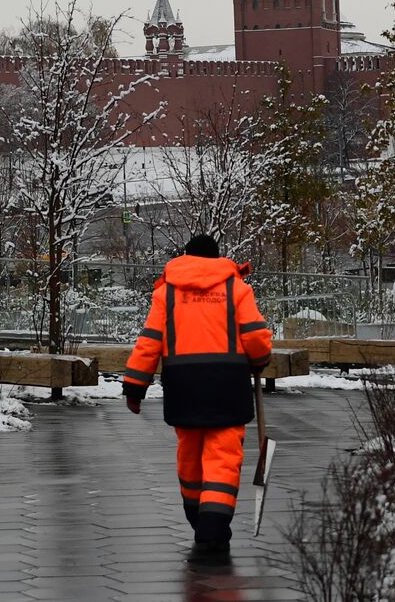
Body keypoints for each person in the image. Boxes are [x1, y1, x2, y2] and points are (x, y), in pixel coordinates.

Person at [122, 234, 273, 553]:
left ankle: (196, 514)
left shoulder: (167, 292)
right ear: (217, 258)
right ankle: (213, 525)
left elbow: (149, 341)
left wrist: (135, 387)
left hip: (184, 386)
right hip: (227, 386)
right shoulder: (236, 288)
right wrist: (260, 360)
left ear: (186, 257)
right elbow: (255, 335)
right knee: (223, 457)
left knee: (189, 455)